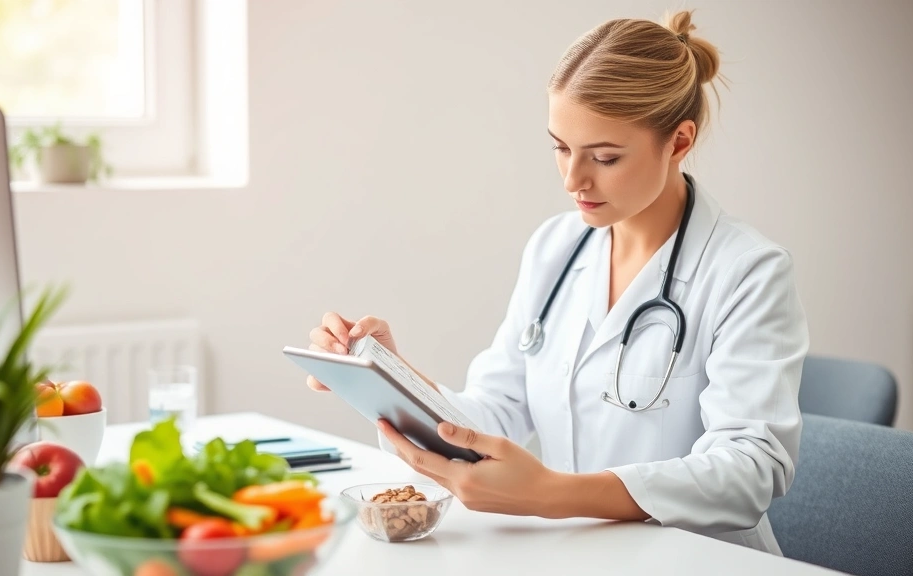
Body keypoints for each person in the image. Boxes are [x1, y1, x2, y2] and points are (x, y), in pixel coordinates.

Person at [305, 9, 808, 555]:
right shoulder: (556, 247)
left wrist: (552, 494)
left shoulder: (747, 271)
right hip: (580, 550)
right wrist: (391, 376)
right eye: (561, 148)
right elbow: (496, 412)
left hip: (703, 558)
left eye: (605, 157)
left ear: (679, 142)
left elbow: (751, 471)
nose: (573, 180)